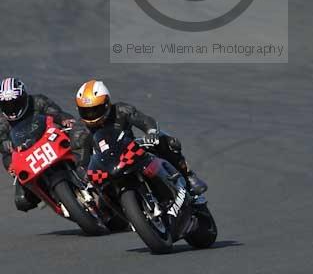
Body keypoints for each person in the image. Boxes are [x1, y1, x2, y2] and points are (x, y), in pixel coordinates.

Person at [75, 80, 207, 196]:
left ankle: (188, 176)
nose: (91, 115)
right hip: (105, 165)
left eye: (95, 110)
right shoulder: (81, 129)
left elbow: (144, 120)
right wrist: (84, 173)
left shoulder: (121, 110)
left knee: (167, 141)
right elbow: (81, 159)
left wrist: (151, 132)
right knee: (93, 195)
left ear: (106, 103)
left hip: (132, 151)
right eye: (85, 111)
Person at [0, 78, 79, 212]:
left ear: (24, 98)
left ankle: (87, 167)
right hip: (25, 153)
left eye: (15, 103)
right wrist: (6, 148)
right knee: (22, 201)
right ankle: (44, 192)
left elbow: (55, 112)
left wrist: (64, 120)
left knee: (79, 137)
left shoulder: (37, 101)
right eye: (7, 105)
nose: (12, 108)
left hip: (47, 140)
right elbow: (2, 142)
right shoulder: (1, 120)